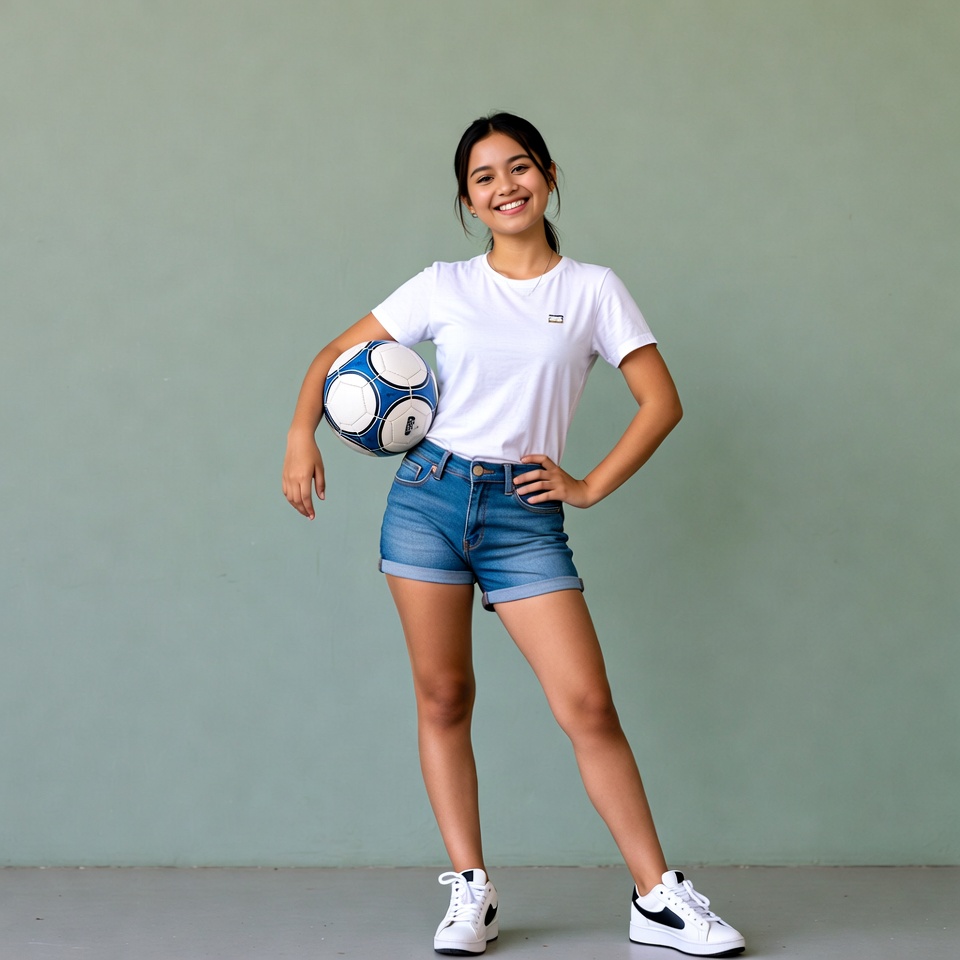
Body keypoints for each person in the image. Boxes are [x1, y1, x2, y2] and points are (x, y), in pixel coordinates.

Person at [282, 112, 745, 958]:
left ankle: (656, 897)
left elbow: (661, 402)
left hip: (524, 517)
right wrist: (298, 435)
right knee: (444, 697)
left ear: (549, 175)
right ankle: (473, 891)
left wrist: (588, 485)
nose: (506, 186)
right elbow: (329, 357)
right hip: (427, 499)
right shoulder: (443, 285)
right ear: (468, 200)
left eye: (520, 166)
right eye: (485, 177)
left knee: (588, 706)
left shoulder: (593, 291)